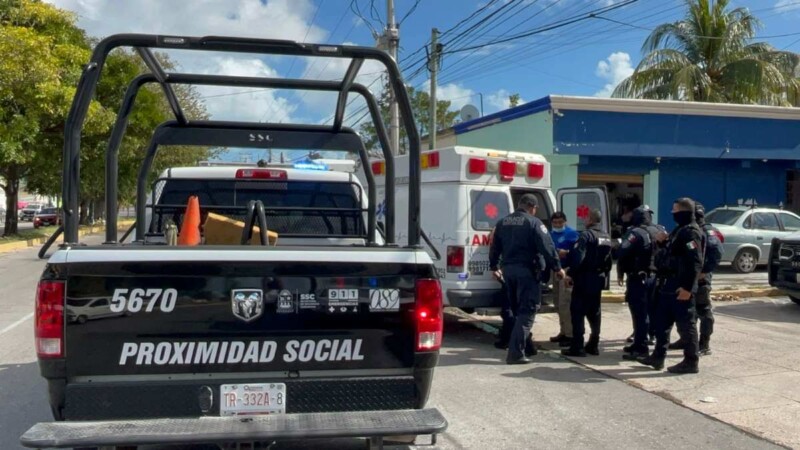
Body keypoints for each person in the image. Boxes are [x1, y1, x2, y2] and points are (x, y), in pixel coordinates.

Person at [490, 194, 564, 365]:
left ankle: (528, 346)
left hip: (508, 272)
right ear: (533, 207)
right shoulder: (534, 222)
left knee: (517, 311)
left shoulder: (503, 222)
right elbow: (547, 246)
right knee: (528, 311)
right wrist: (557, 267)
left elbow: (495, 247)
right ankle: (515, 353)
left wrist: (494, 266)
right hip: (527, 272)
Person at [638, 198, 704, 374]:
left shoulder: (691, 233)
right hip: (667, 284)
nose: (673, 214)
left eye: (675, 211)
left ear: (684, 212)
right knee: (662, 323)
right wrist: (661, 242)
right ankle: (658, 357)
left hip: (680, 286)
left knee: (686, 326)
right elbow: (671, 253)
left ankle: (691, 361)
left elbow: (695, 261)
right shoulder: (679, 230)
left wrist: (688, 288)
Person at [669, 202, 723, 356]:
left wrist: (704, 271)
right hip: (685, 276)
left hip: (700, 279)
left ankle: (704, 343)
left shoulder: (706, 230)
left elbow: (717, 252)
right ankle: (685, 339)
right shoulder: (685, 228)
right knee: (685, 312)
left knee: (703, 310)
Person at [562, 209, 613, 357]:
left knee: (577, 312)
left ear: (590, 219)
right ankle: (594, 344)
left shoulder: (586, 235)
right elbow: (609, 261)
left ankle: (577, 346)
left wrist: (570, 273)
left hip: (584, 278)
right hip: (598, 279)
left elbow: (579, 257)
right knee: (595, 312)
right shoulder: (606, 236)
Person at [616, 206, 656, 360]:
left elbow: (622, 251)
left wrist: (616, 244)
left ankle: (641, 348)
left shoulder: (636, 233)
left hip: (638, 278)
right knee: (649, 311)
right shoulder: (657, 230)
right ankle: (642, 341)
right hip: (653, 277)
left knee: (640, 313)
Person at [548, 211, 580, 347]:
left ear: (565, 222)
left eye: (560, 222)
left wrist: (566, 253)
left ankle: (570, 334)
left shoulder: (572, 234)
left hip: (566, 270)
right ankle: (563, 331)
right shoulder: (549, 234)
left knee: (565, 303)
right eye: (555, 223)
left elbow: (578, 252)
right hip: (555, 270)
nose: (557, 225)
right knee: (557, 303)